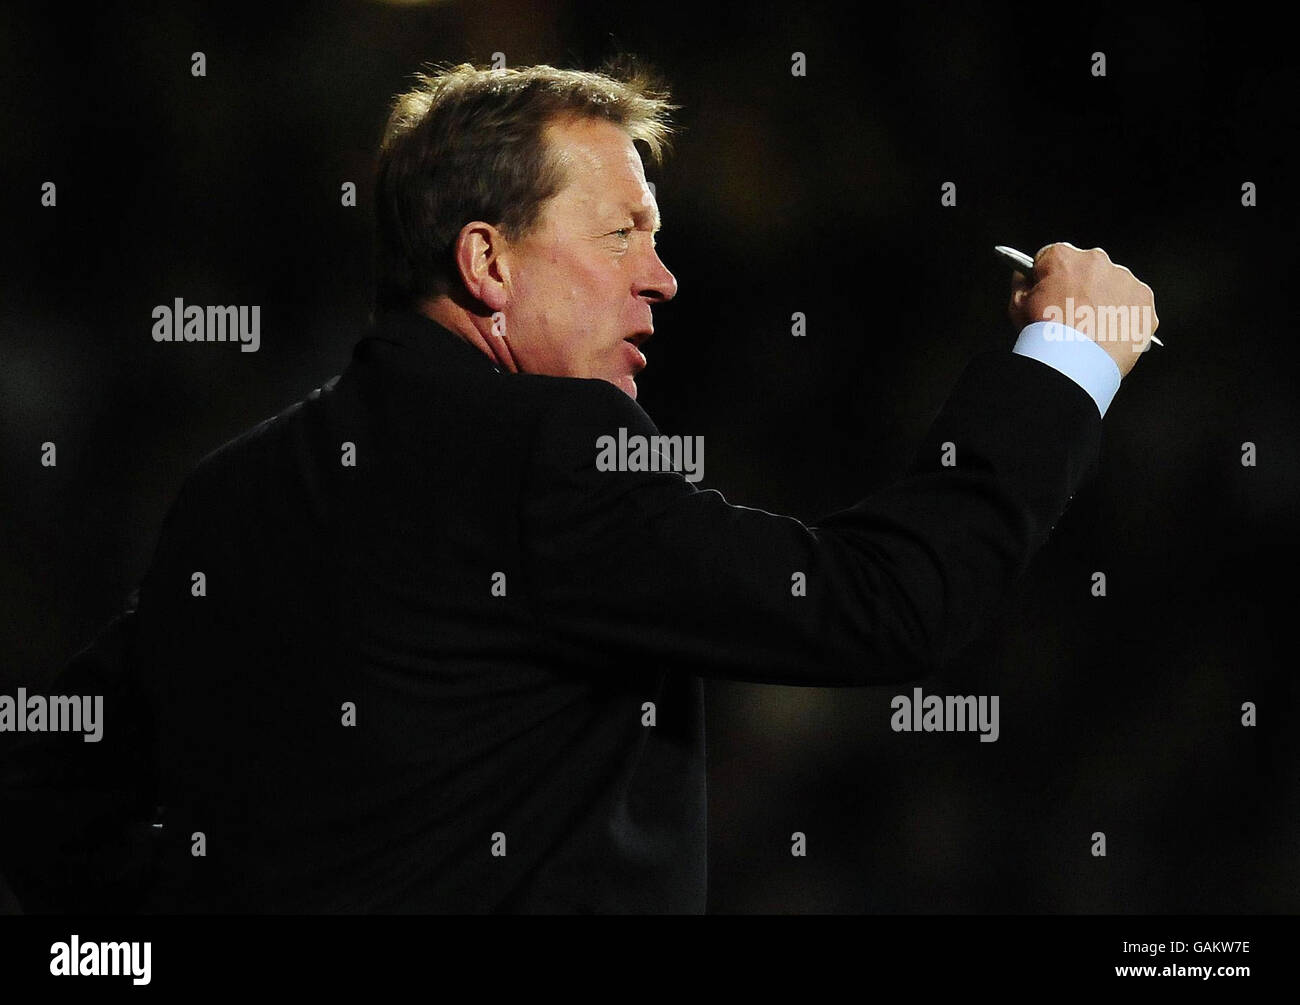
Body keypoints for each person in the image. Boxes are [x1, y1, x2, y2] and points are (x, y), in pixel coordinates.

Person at [0, 62, 1157, 914]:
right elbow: (883, 602)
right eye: (619, 234)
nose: (660, 277)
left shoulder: (230, 494)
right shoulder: (555, 451)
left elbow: (57, 791)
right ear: (486, 262)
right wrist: (1066, 362)